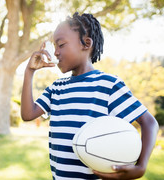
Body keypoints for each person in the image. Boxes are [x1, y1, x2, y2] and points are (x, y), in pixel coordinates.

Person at [21, 12, 159, 180]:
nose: (55, 52)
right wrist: (29, 72)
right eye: (54, 46)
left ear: (86, 44)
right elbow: (28, 115)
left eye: (61, 45)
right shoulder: (56, 88)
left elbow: (149, 123)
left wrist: (141, 166)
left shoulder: (108, 85)